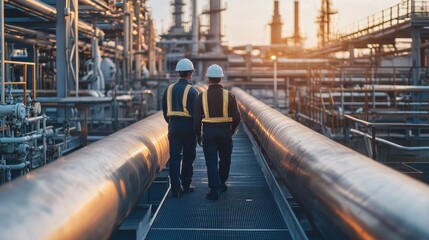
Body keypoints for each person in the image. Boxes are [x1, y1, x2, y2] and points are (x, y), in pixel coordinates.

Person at [194, 64, 241, 200]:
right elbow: (237, 117)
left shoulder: (201, 96)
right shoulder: (229, 96)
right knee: (225, 159)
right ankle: (222, 183)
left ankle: (214, 189)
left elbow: (197, 118)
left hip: (208, 132)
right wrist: (232, 129)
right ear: (221, 78)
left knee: (211, 161)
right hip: (225, 131)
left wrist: (198, 134)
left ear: (208, 78)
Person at [162, 58, 199, 197]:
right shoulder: (192, 91)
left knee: (175, 157)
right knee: (189, 156)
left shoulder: (169, 89)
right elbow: (196, 114)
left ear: (179, 73)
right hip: (188, 126)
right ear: (190, 73)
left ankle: (175, 187)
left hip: (173, 125)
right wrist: (197, 132)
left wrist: (171, 123)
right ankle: (186, 184)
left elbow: (164, 110)